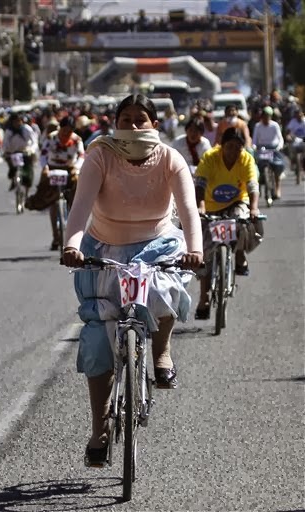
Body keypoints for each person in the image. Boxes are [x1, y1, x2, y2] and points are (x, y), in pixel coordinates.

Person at [62, 94, 203, 467]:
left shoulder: (171, 159)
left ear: (155, 125)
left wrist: (196, 249)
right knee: (97, 339)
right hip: (104, 247)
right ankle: (99, 430)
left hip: (156, 244)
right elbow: (79, 208)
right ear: (116, 123)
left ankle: (162, 352)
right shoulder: (100, 155)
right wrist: (72, 246)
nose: (134, 125)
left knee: (166, 289)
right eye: (126, 119)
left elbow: (188, 210)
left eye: (142, 119)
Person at [194, 127, 261, 320]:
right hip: (210, 206)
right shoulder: (210, 157)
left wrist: (254, 208)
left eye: (238, 148)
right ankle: (203, 298)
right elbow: (200, 184)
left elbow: (252, 185)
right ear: (222, 146)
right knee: (205, 251)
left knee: (243, 222)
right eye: (229, 147)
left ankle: (239, 252)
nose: (233, 151)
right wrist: (201, 206)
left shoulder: (246, 159)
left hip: (236, 202)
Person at [25, 115, 85, 250]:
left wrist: (76, 167)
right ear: (60, 129)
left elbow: (81, 156)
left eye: (69, 131)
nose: (66, 134)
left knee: (77, 186)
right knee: (48, 196)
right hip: (52, 168)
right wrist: (45, 167)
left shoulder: (77, 140)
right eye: (64, 130)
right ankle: (56, 237)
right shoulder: (51, 137)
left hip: (70, 169)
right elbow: (44, 154)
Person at [252, 106, 285, 199]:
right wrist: (254, 146)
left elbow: (280, 138)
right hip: (262, 149)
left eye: (268, 116)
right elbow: (254, 139)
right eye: (265, 116)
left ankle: (277, 188)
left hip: (273, 149)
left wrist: (279, 146)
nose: (267, 118)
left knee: (278, 167)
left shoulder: (275, 125)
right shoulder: (258, 126)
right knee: (256, 168)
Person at [2, 112, 38, 194]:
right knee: (12, 168)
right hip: (13, 153)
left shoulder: (27, 129)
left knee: (28, 172)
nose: (17, 123)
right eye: (15, 121)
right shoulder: (9, 131)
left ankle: (26, 192)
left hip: (26, 153)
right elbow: (5, 144)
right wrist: (6, 151)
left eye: (19, 121)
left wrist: (31, 149)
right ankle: (13, 179)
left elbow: (34, 141)